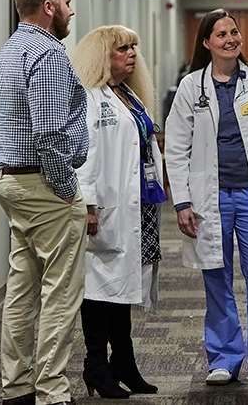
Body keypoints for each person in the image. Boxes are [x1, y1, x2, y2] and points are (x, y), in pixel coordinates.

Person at [164, 8, 248, 386]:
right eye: (221, 34)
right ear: (206, 42)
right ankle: (223, 357)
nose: (230, 39)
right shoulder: (193, 87)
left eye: (234, 32)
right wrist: (182, 202)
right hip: (211, 199)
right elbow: (175, 148)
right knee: (217, 277)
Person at [0, 0, 88, 405]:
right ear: (49, 7)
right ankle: (52, 391)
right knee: (60, 293)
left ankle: (17, 387)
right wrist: (66, 188)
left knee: (22, 288)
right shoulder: (46, 54)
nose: (71, 10)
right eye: (67, 2)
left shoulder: (7, 52)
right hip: (45, 187)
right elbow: (49, 133)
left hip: (12, 181)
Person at [71, 25, 165, 399]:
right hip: (106, 207)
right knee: (99, 287)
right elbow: (85, 155)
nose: (131, 54)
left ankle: (123, 361)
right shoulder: (89, 98)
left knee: (122, 286)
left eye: (133, 47)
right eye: (122, 48)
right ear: (102, 55)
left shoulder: (127, 94)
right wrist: (89, 204)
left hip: (137, 203)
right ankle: (96, 365)